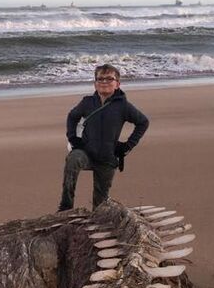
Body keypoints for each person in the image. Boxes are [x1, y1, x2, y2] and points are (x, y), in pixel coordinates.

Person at [58, 64, 149, 211]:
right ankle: (65, 207)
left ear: (118, 84)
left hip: (108, 158)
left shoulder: (123, 106)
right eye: (100, 78)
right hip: (86, 152)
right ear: (94, 83)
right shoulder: (87, 102)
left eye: (109, 78)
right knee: (73, 159)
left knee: (100, 207)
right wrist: (73, 138)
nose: (104, 82)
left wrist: (127, 146)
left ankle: (96, 219)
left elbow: (143, 122)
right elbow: (72, 117)